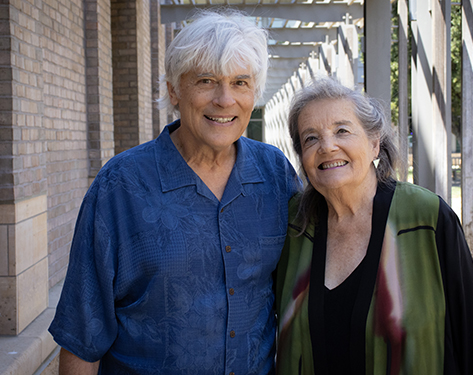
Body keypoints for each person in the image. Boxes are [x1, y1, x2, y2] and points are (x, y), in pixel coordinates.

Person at [49, 9, 300, 375]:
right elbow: (82, 336)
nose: (225, 99)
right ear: (173, 90)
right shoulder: (121, 186)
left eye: (240, 83)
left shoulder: (275, 174)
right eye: (206, 81)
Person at [274, 78, 473, 375]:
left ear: (373, 144)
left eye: (342, 130)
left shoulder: (426, 218)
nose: (327, 146)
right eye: (311, 138)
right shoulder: (295, 227)